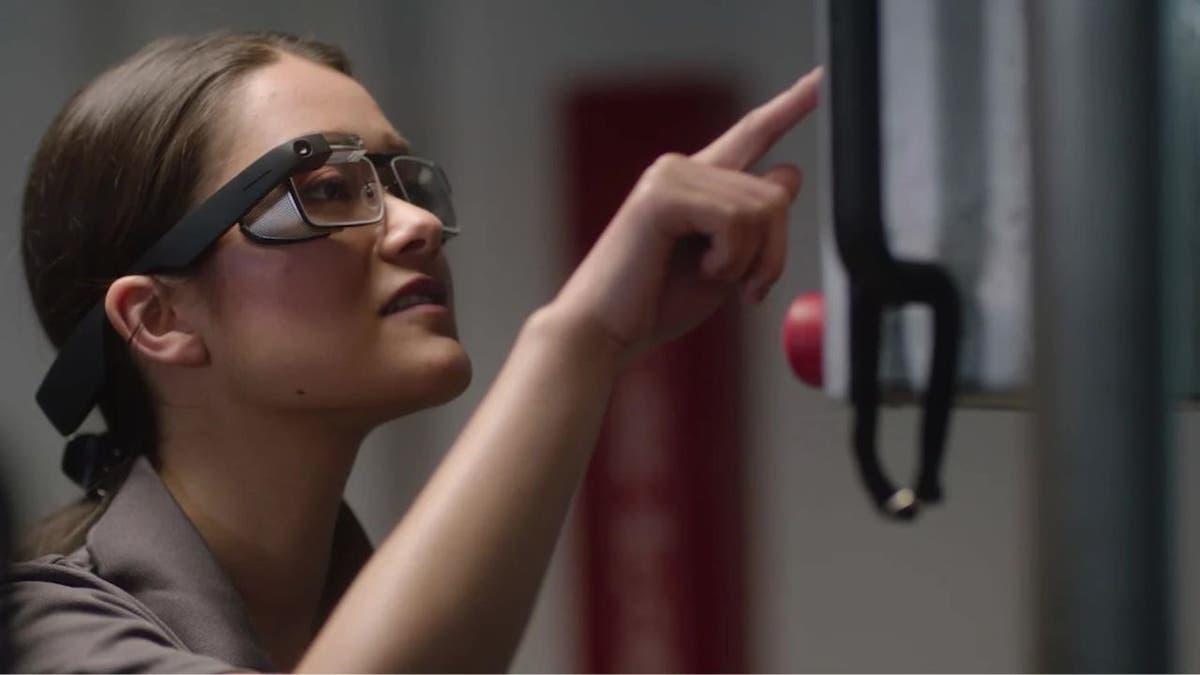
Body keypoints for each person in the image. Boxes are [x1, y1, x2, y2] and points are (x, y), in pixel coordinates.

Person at [8, 30, 820, 673]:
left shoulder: (389, 609)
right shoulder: (43, 640)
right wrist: (579, 336)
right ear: (157, 318)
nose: (417, 224)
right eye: (326, 190)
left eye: (400, 181)